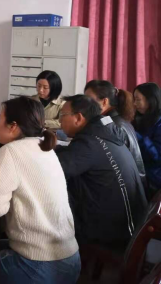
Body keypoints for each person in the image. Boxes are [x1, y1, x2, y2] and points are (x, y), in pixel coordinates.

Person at [0, 96, 80, 284]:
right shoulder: (45, 147)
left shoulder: (11, 151)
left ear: (13, 126)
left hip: (40, 264)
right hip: (69, 258)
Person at [57, 95, 147, 248]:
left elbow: (54, 172)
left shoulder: (88, 143)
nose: (59, 121)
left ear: (78, 118)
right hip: (131, 224)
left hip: (113, 234)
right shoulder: (104, 133)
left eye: (62, 115)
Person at [84, 80, 145, 181]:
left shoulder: (111, 126)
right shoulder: (115, 120)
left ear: (104, 102)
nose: (83, 105)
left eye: (88, 100)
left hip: (128, 184)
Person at [133, 82, 161, 192]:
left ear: (151, 100)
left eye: (138, 100)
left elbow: (157, 156)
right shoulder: (142, 118)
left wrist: (136, 136)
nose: (134, 104)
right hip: (143, 175)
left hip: (155, 179)